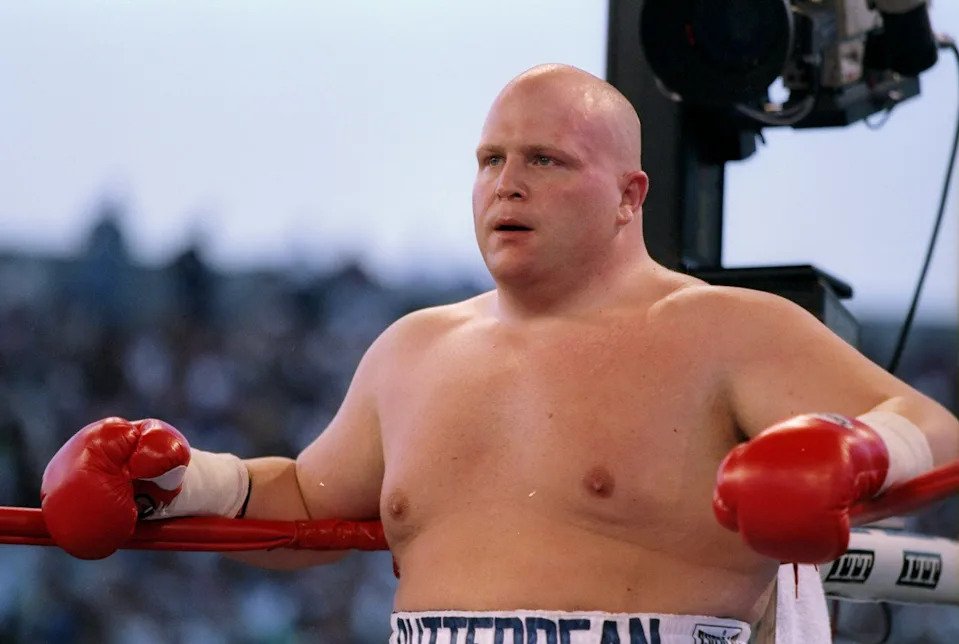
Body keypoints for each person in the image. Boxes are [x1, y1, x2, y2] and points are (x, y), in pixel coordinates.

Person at [39, 64, 959, 643]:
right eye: (488, 159)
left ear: (629, 194)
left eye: (545, 161)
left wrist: (858, 450)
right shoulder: (413, 350)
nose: (505, 183)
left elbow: (932, 426)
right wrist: (190, 483)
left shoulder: (722, 328)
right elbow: (309, 503)